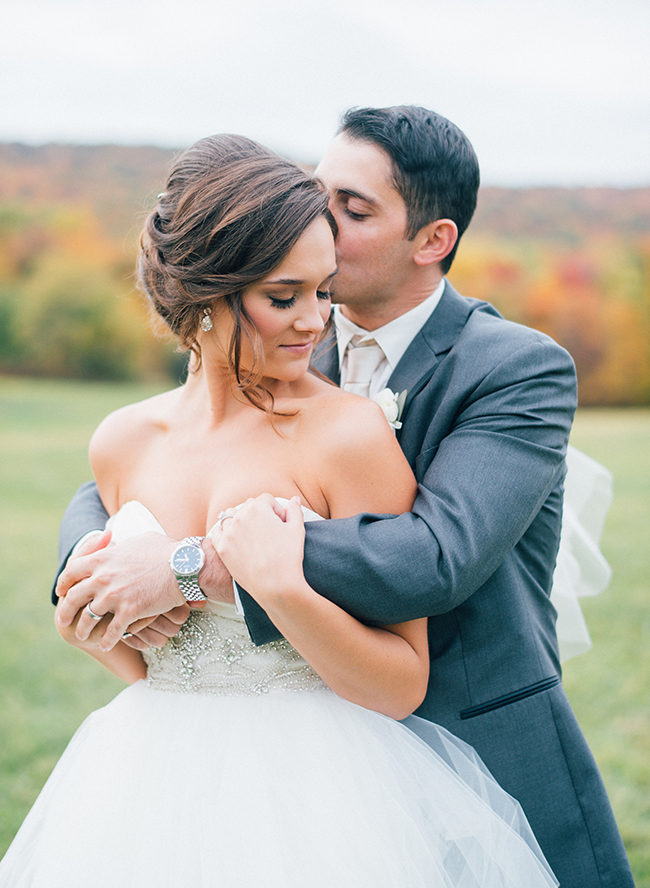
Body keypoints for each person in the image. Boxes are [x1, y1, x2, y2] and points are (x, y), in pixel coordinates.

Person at [51, 107, 632, 888]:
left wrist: (194, 566)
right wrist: (88, 579)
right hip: (221, 777)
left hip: (468, 738)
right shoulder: (274, 339)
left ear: (432, 240)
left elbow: (437, 557)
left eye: (352, 209)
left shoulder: (512, 369)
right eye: (317, 194)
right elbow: (125, 480)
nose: (318, 219)